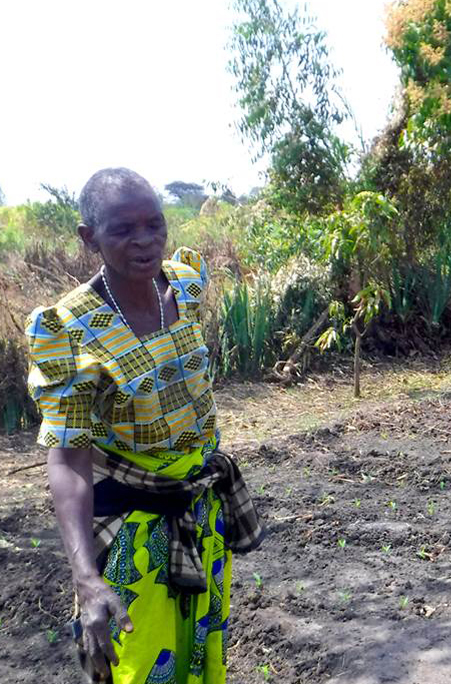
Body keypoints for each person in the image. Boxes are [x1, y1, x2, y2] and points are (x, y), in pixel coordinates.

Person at [25, 168, 263, 683]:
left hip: (200, 511)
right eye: (123, 230)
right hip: (136, 528)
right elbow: (68, 457)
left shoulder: (185, 284)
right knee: (139, 667)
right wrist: (86, 579)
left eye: (155, 225)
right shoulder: (68, 329)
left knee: (200, 650)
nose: (145, 241)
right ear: (89, 238)